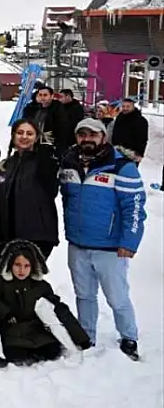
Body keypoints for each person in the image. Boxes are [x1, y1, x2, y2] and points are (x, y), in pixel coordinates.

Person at [60, 117, 146, 360]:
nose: (87, 139)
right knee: (84, 294)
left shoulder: (121, 167)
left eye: (93, 134)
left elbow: (136, 207)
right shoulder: (68, 163)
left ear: (103, 137)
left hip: (110, 247)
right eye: (82, 134)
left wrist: (129, 242)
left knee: (117, 296)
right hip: (78, 244)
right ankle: (87, 335)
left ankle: (129, 336)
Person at [0, 239, 92, 363]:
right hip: (11, 331)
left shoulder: (41, 286)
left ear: (33, 266)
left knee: (52, 351)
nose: (22, 270)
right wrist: (5, 313)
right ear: (10, 264)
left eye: (26, 266)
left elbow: (59, 310)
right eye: (17, 265)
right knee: (15, 354)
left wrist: (81, 338)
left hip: (37, 330)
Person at [0, 119, 60, 259]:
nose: (24, 137)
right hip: (10, 234)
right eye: (20, 133)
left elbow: (52, 190)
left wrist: (46, 156)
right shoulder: (7, 164)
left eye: (29, 133)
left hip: (37, 234)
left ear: (36, 137)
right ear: (13, 136)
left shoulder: (43, 161)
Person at [22, 86, 73, 156]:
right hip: (32, 146)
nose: (42, 97)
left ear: (51, 96)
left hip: (50, 148)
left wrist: (59, 149)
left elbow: (63, 131)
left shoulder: (58, 110)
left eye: (45, 95)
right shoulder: (32, 109)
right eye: (40, 95)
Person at [110, 98, 149, 165]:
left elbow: (143, 139)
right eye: (123, 106)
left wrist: (139, 154)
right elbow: (114, 132)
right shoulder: (119, 117)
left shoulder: (141, 120)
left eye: (128, 106)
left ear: (133, 106)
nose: (125, 108)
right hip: (117, 151)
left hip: (132, 154)